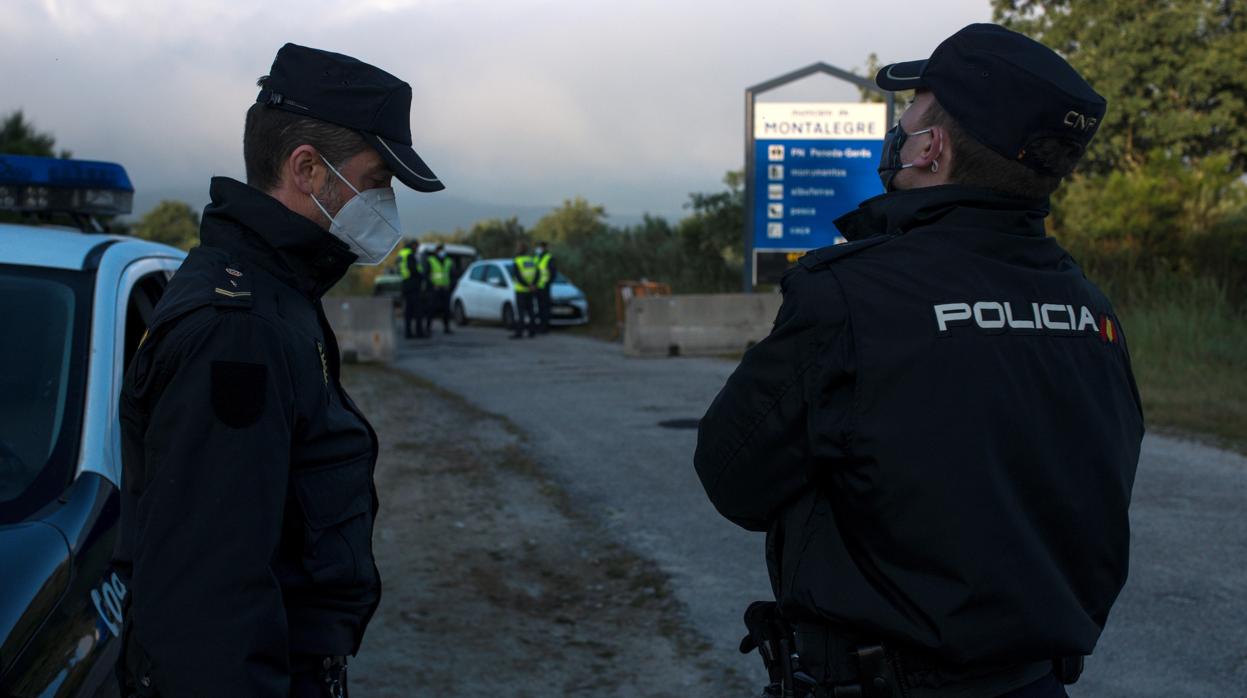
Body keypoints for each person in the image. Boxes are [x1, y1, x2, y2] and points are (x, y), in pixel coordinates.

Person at [695, 23, 1143, 698]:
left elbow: (732, 478)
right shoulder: (1091, 309)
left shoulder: (850, 293)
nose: (896, 130)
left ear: (930, 149)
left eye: (908, 116)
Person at [114, 43, 444, 697]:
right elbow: (209, 609)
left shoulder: (276, 294)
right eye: (377, 179)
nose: (384, 201)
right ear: (308, 170)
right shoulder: (240, 328)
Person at [398, 239, 427, 338]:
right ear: (413, 246)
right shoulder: (410, 255)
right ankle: (419, 333)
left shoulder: (402, 254)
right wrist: (421, 276)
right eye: (416, 247)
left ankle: (408, 333)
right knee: (418, 310)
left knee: (408, 311)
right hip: (413, 285)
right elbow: (413, 269)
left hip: (405, 284)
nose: (417, 249)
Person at [424, 243, 454, 335]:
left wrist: (450, 285)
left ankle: (446, 327)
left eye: (442, 250)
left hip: (445, 289)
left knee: (446, 309)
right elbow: (427, 275)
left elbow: (452, 275)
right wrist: (432, 285)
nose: (442, 252)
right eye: (440, 250)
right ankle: (428, 328)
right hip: (434, 289)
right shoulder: (431, 260)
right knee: (431, 309)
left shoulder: (448, 261)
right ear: (436, 251)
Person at [510, 241, 539, 339]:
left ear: (519, 250)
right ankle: (532, 332)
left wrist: (527, 285)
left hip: (521, 290)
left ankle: (519, 333)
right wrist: (533, 285)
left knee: (521, 312)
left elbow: (518, 276)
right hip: (531, 290)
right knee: (531, 312)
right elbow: (537, 273)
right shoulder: (531, 260)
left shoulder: (517, 261)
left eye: (517, 248)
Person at [534, 240, 556, 332]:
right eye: (540, 247)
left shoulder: (548, 257)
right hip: (537, 287)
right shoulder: (537, 258)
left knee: (545, 307)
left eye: (542, 247)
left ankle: (545, 327)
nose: (540, 249)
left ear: (545, 247)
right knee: (539, 307)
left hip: (545, 287)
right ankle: (540, 326)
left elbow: (553, 272)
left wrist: (548, 283)